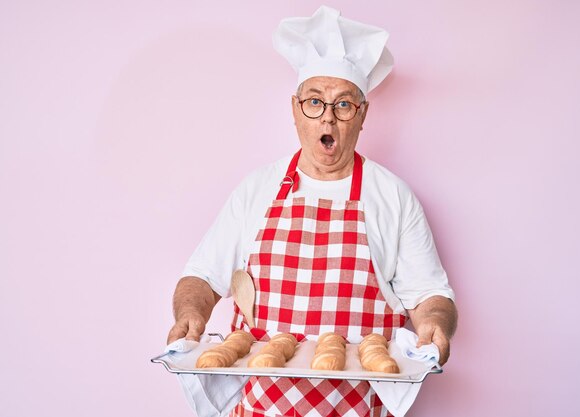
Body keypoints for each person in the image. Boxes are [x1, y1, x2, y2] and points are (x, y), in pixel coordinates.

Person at [167, 6, 457, 417]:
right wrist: (190, 313)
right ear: (295, 109)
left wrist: (435, 326)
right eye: (315, 102)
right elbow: (201, 276)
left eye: (343, 105)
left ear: (362, 115)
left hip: (358, 408)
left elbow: (430, 295)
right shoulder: (257, 189)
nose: (328, 118)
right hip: (261, 407)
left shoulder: (393, 196)